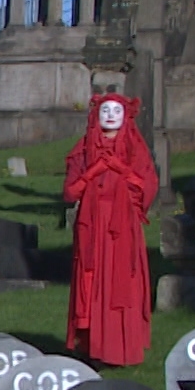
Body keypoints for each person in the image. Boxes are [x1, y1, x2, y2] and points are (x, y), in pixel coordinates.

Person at [64, 93, 159, 366]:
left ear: (125, 116)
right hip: (92, 224)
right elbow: (70, 193)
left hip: (122, 228)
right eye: (105, 109)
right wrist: (93, 172)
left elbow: (147, 187)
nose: (110, 115)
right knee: (90, 281)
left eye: (116, 110)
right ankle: (92, 346)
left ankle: (120, 350)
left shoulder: (135, 149)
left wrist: (121, 170)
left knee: (120, 283)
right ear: (96, 114)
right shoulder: (83, 149)